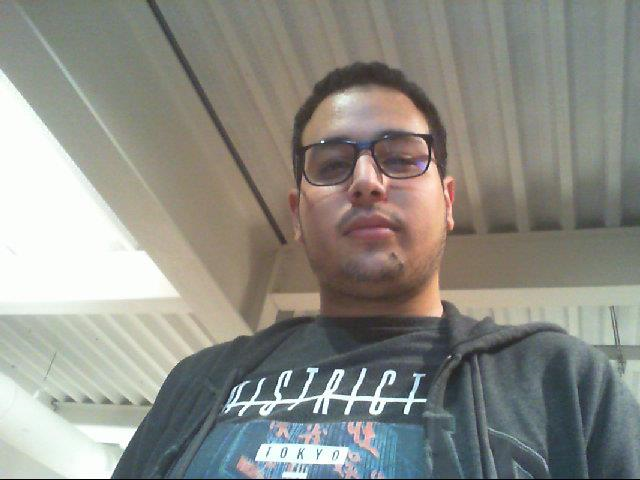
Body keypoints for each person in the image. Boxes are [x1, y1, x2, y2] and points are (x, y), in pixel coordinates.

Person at [113, 62, 640, 479]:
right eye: (332, 165)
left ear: (447, 201)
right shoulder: (197, 383)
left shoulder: (560, 379)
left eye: (402, 158)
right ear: (297, 215)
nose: (366, 181)